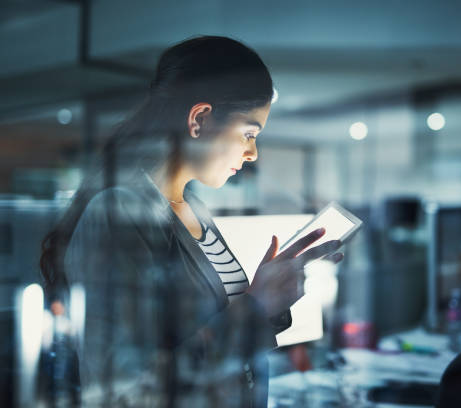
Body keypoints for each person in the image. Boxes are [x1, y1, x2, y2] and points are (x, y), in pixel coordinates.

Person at [40, 36, 343, 407]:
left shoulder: (193, 209)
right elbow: (126, 388)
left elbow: (223, 342)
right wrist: (255, 305)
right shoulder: (119, 212)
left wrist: (271, 295)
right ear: (199, 119)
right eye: (249, 134)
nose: (252, 153)